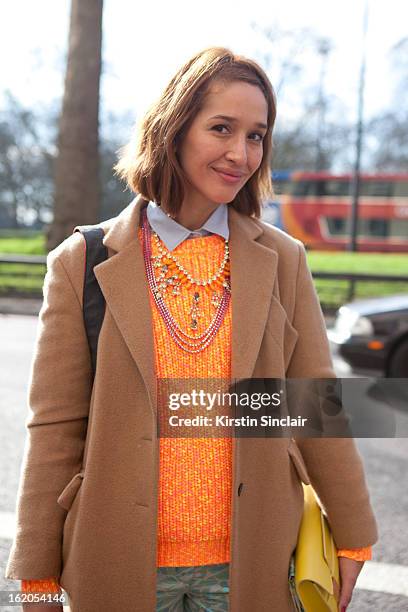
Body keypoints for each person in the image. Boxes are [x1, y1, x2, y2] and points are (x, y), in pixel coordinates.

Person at [6, 47, 377, 612]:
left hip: (251, 559)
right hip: (117, 557)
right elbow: (56, 428)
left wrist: (354, 533)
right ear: (173, 129)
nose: (241, 153)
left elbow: (313, 406)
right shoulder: (81, 261)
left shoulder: (283, 259)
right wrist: (35, 576)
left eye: (257, 135)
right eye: (221, 128)